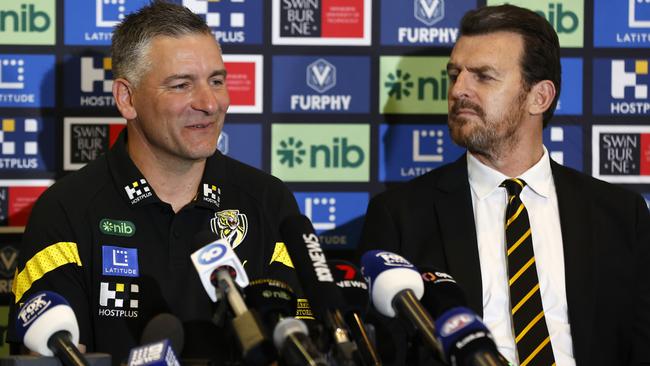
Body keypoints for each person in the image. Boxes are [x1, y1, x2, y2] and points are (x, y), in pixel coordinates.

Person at [8, 1, 299, 364]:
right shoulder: (66, 210)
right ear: (127, 99)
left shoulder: (268, 201)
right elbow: (52, 355)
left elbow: (299, 345)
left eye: (217, 81)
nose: (210, 103)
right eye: (181, 85)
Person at [358, 4, 650, 366]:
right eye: (454, 74)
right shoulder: (400, 215)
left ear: (539, 97)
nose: (458, 90)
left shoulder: (620, 214)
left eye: (483, 76)